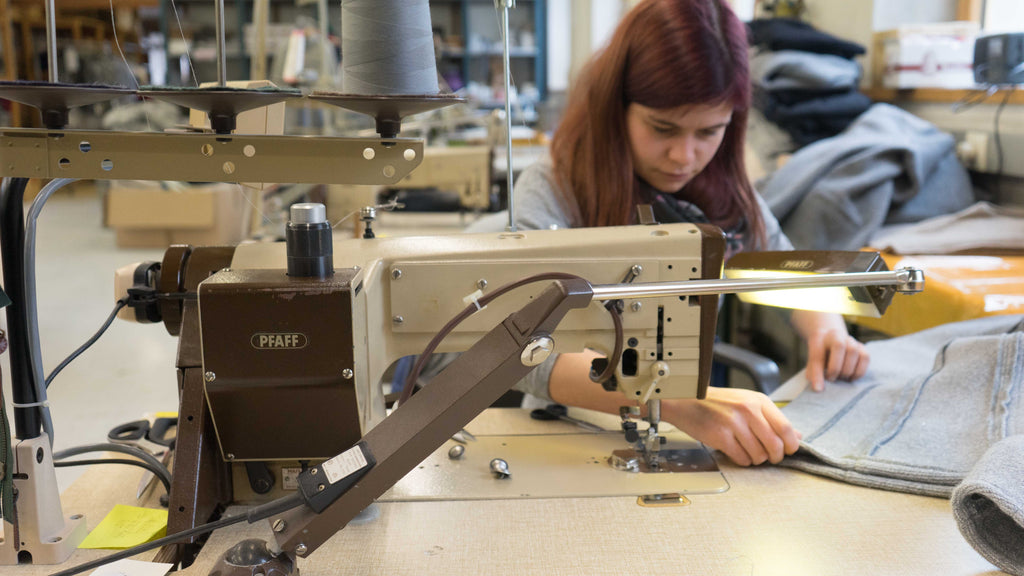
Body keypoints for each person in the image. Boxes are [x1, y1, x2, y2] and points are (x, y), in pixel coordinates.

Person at [462, 0, 868, 467]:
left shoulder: (726, 191)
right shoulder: (555, 188)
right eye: (662, 128)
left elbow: (780, 263)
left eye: (709, 132)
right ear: (617, 107)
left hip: (683, 422)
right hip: (571, 433)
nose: (683, 156)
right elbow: (523, 354)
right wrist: (674, 402)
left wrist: (827, 327)